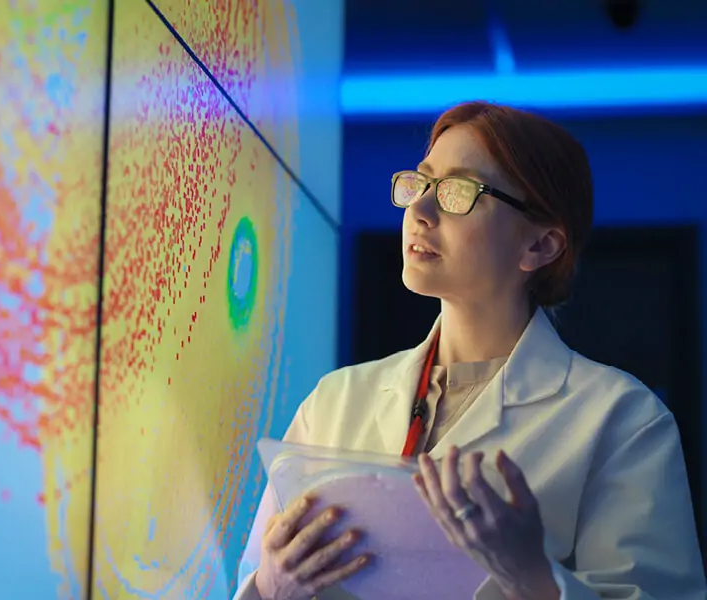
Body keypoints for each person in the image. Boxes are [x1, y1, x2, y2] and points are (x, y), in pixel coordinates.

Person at [232, 101, 707, 600]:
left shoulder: (622, 420)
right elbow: (252, 580)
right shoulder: (335, 401)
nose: (419, 212)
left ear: (540, 246)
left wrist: (531, 576)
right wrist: (270, 587)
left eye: (458, 192)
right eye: (421, 182)